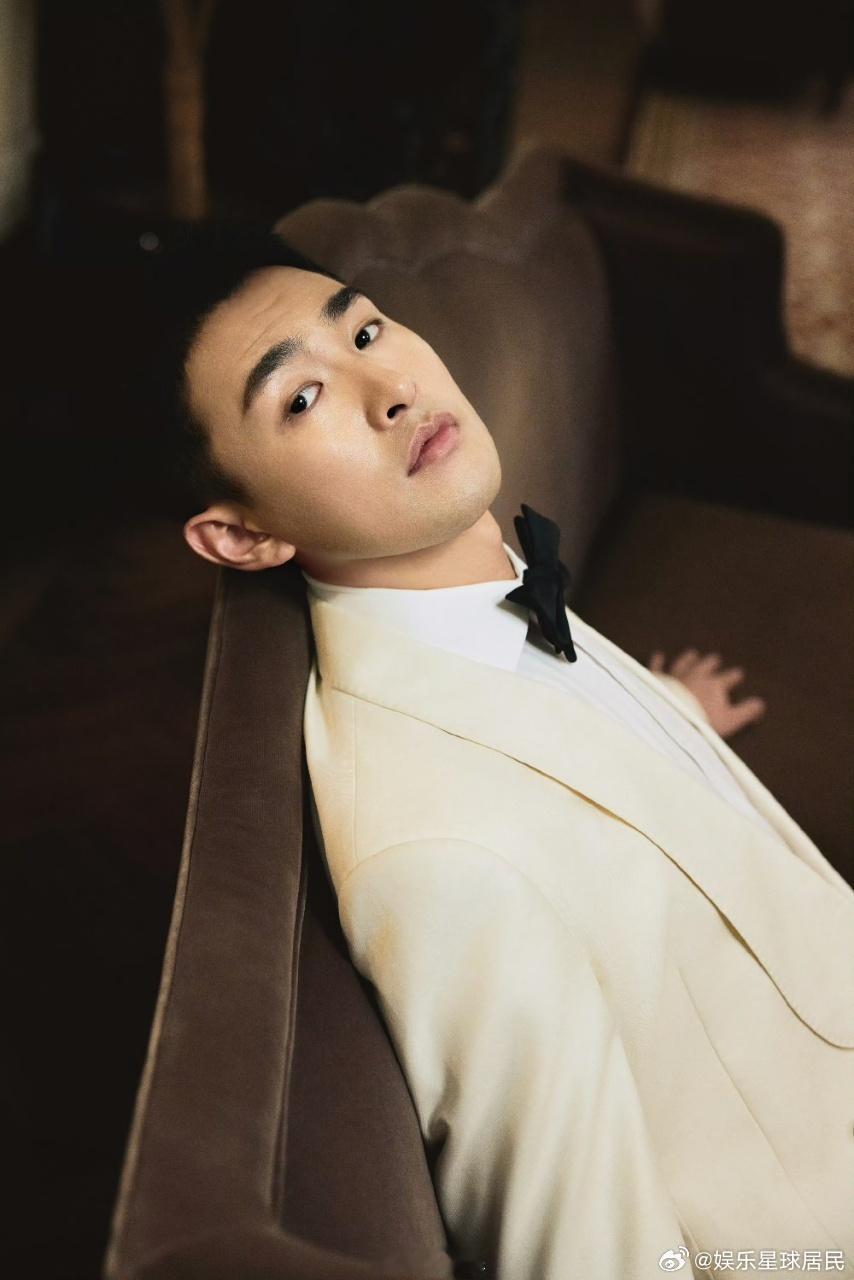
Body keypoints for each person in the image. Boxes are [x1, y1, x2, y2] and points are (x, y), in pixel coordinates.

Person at [150, 225, 854, 1279]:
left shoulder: (462, 586)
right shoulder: (440, 860)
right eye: (301, 398)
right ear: (243, 536)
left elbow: (542, 728)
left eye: (366, 330)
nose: (391, 389)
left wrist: (667, 713)